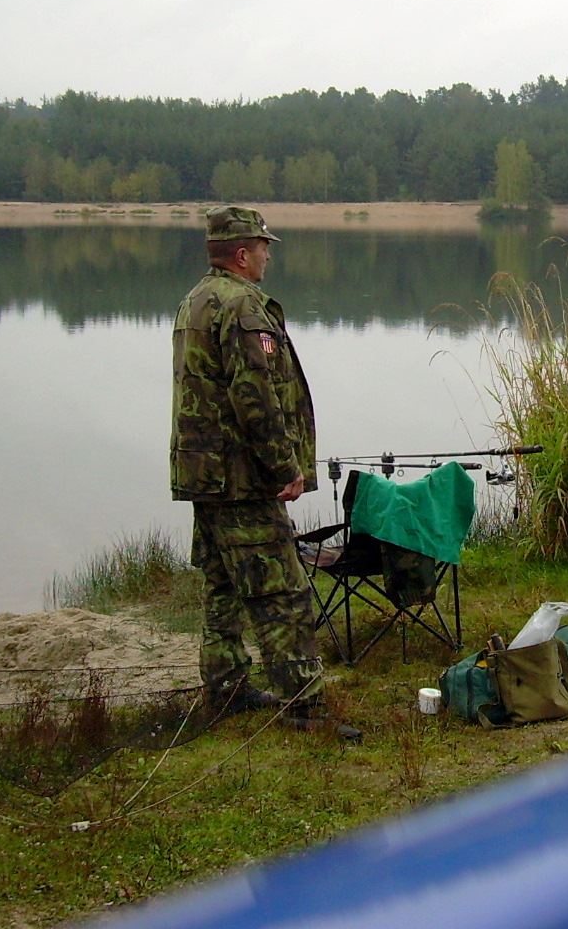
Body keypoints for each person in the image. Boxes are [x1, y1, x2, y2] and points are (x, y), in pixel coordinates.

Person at [170, 205, 360, 739]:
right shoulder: (241, 306)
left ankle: (226, 689)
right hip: (242, 477)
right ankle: (306, 709)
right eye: (262, 247)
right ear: (241, 254)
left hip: (206, 474)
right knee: (283, 593)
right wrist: (284, 465)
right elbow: (254, 394)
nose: (268, 256)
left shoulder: (195, 300)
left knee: (223, 586)